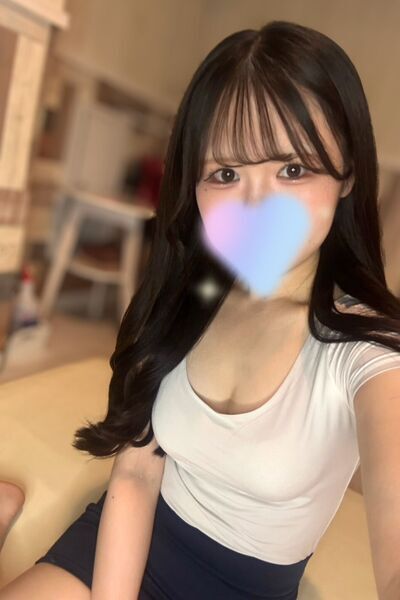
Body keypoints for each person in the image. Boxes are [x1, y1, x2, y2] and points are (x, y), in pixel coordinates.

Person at [2, 20, 400, 600]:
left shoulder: (367, 350)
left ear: (348, 174)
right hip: (128, 535)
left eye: (292, 169)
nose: (256, 205)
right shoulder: (190, 294)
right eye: (226, 174)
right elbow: (137, 473)